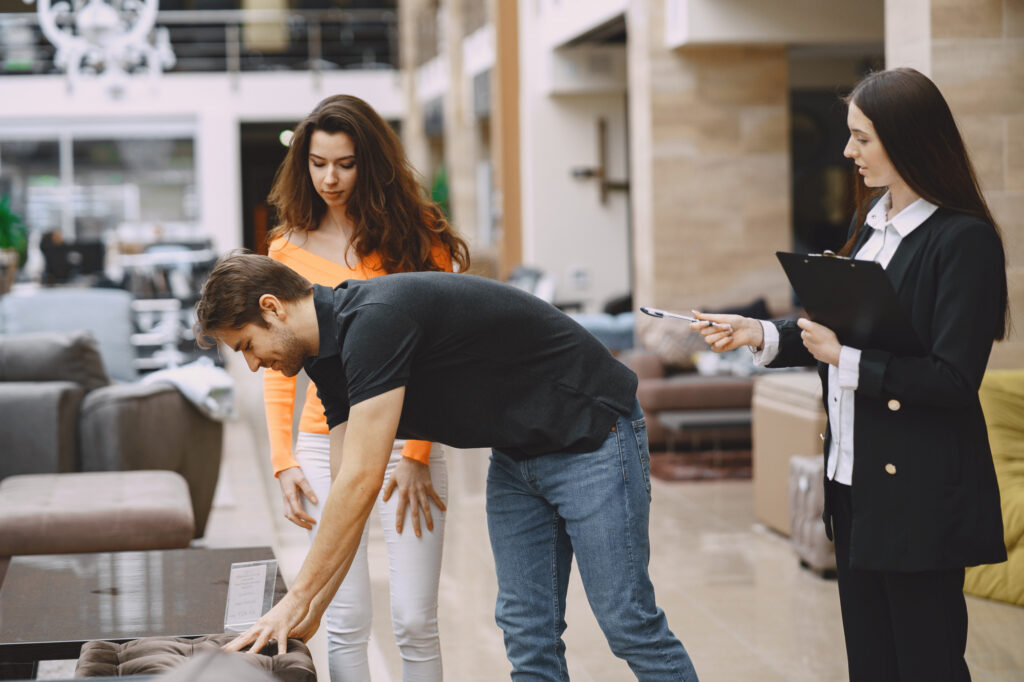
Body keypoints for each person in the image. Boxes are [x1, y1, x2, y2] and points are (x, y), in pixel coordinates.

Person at [195, 253, 700, 681]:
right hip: (517, 454)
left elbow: (362, 479)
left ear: (272, 308)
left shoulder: (374, 320)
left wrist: (296, 601)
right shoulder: (325, 356)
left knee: (625, 621)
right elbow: (345, 496)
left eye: (245, 346)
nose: (253, 365)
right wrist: (307, 614)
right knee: (527, 632)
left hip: (591, 435)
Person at [692, 67, 1008, 682]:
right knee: (870, 664)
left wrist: (848, 361)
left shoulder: (963, 241)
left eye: (861, 138)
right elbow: (836, 332)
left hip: (919, 492)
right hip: (852, 482)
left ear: (908, 138)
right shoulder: (870, 227)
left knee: (928, 664)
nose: (847, 152)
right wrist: (758, 333)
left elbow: (951, 380)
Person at [261, 93, 470, 681]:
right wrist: (283, 460)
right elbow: (280, 363)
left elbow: (444, 354)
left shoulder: (416, 236)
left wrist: (419, 453)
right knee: (344, 618)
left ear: (370, 162)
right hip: (325, 442)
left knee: (413, 620)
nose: (330, 178)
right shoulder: (287, 248)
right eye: (319, 162)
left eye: (346, 164)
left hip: (412, 445)